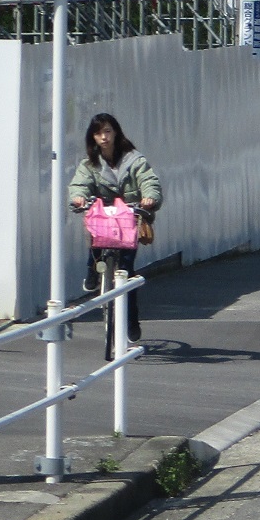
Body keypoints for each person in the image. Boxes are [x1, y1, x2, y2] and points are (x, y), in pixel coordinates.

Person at [68, 113, 161, 358]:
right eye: (99, 133)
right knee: (96, 240)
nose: (104, 137)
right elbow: (80, 185)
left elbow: (149, 181)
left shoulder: (134, 159)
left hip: (127, 218)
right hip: (103, 217)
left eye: (108, 131)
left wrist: (149, 197)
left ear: (116, 132)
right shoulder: (89, 164)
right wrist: (78, 197)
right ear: (93, 137)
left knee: (127, 272)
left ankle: (131, 320)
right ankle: (92, 269)